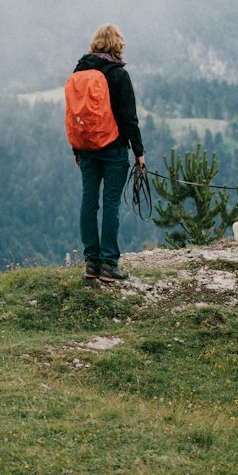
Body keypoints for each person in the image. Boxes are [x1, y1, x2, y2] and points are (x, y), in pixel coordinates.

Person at [70, 24, 145, 282]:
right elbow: (128, 117)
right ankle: (109, 264)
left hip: (87, 148)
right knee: (111, 204)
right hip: (113, 149)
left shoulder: (80, 71)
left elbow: (75, 114)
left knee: (89, 202)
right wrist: (139, 151)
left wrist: (76, 148)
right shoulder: (118, 75)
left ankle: (91, 262)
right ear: (117, 46)